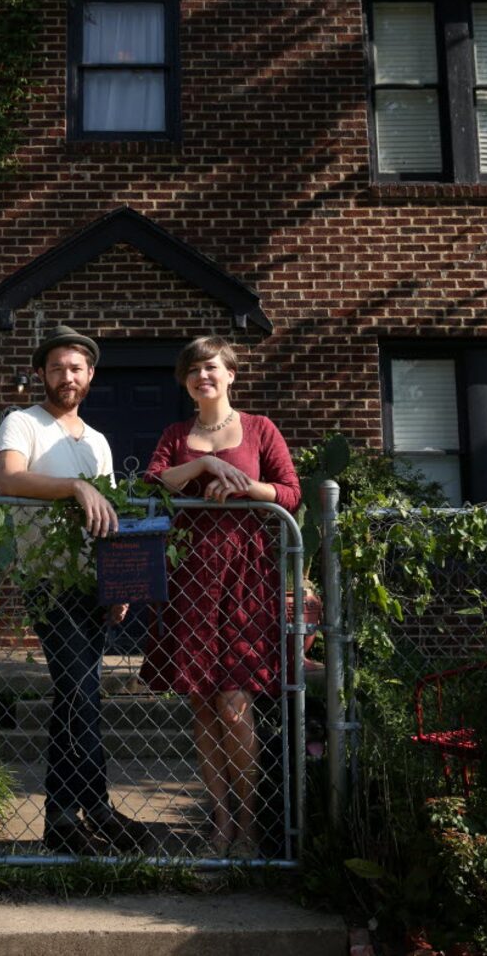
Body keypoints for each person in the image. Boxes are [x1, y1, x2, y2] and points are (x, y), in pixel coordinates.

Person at [140, 335, 301, 858]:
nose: (201, 376)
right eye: (192, 370)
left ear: (230, 374)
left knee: (235, 702)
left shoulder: (259, 429)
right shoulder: (175, 433)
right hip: (189, 576)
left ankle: (250, 825)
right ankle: (221, 822)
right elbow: (154, 481)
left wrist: (243, 486)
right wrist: (206, 466)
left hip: (245, 576)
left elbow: (291, 492)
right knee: (203, 707)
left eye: (210, 367)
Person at [0, 324, 149, 855]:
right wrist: (74, 486)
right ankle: (97, 807)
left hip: (92, 584)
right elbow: (8, 479)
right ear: (42, 373)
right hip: (48, 583)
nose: (67, 376)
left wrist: (118, 584)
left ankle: (61, 818)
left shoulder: (99, 442)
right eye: (57, 367)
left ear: (90, 376)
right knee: (80, 692)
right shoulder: (23, 423)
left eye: (76, 368)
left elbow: (106, 522)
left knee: (75, 696)